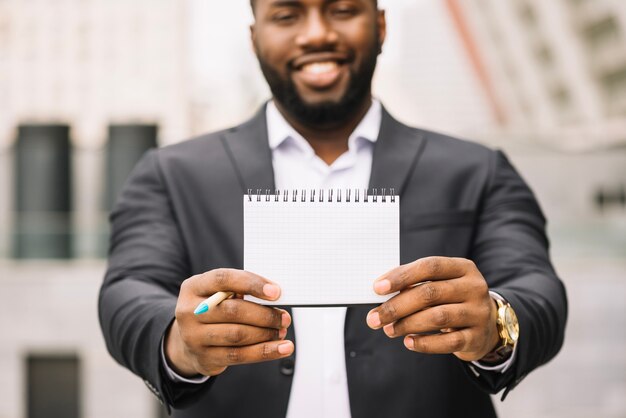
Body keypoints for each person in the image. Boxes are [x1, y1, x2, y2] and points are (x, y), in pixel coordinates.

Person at [98, 0, 568, 417]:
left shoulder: (478, 170)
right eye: (287, 14)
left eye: (342, 10)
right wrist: (178, 341)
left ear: (380, 26)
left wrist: (495, 324)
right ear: (254, 36)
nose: (318, 33)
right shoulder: (171, 173)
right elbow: (127, 290)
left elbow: (538, 288)